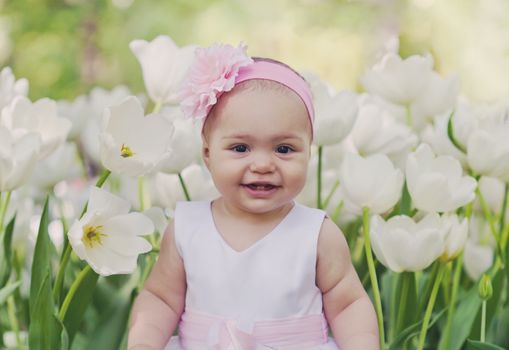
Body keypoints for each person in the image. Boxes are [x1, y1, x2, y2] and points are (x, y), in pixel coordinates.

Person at [127, 43, 379, 350]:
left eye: (284, 149)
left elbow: (348, 304)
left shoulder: (316, 234)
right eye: (240, 148)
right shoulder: (187, 228)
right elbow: (162, 298)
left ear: (308, 154)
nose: (262, 165)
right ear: (207, 154)